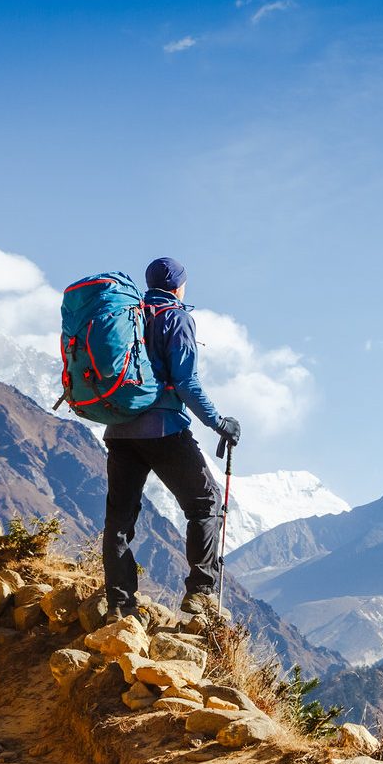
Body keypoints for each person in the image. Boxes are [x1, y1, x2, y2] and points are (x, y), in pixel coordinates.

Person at [101, 256, 242, 621]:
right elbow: (185, 381)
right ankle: (200, 593)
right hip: (163, 430)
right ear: (179, 286)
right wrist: (219, 422)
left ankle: (119, 605)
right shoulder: (175, 317)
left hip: (119, 431)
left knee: (118, 521)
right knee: (204, 504)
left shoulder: (127, 315)